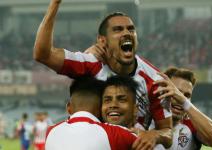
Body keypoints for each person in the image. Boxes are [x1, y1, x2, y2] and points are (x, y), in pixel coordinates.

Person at [34, 0, 172, 148]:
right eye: (118, 29)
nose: (126, 33)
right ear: (102, 40)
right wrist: (54, 4)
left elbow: (168, 132)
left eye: (131, 29)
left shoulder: (155, 80)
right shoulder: (90, 63)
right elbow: (43, 54)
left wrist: (155, 135)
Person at [45, 76, 137, 150]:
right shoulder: (116, 134)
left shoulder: (50, 132)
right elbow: (147, 143)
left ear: (69, 108)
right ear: (99, 107)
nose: (112, 105)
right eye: (107, 100)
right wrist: (151, 134)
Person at [153, 67, 212, 149]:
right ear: (162, 90)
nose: (179, 98)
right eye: (176, 91)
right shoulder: (144, 118)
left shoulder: (191, 124)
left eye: (187, 96)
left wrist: (185, 102)